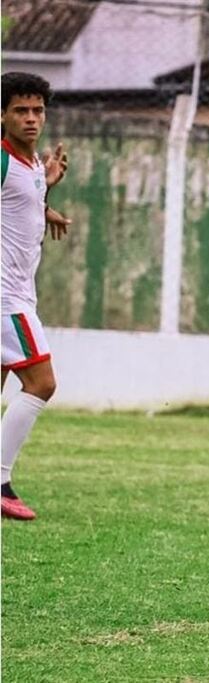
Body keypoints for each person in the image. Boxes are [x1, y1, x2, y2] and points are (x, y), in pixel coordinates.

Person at [1, 71, 71, 521]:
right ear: (2, 115)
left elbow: (17, 200)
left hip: (19, 291)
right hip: (7, 298)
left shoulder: (29, 167)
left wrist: (46, 194)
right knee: (42, 383)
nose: (31, 119)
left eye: (37, 111)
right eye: (20, 111)